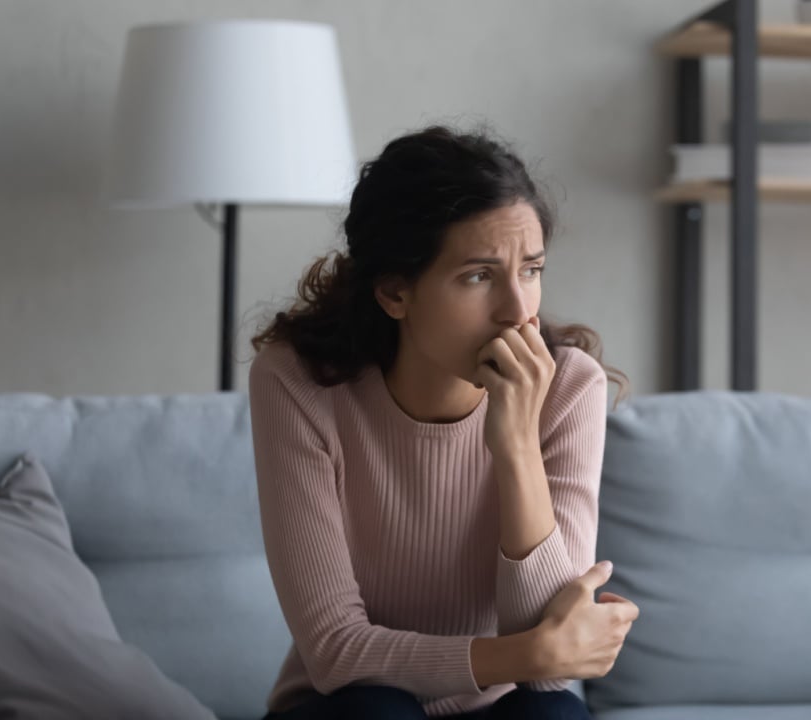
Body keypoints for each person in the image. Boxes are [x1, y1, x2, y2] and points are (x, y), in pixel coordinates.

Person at [246, 125, 638, 720]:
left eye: (530, 270)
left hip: (502, 703)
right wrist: (530, 654)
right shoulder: (299, 384)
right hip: (346, 705)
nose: (516, 310)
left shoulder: (569, 387)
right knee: (376, 710)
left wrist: (515, 445)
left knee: (553, 716)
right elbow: (333, 652)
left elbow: (549, 679)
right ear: (395, 292)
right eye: (478, 276)